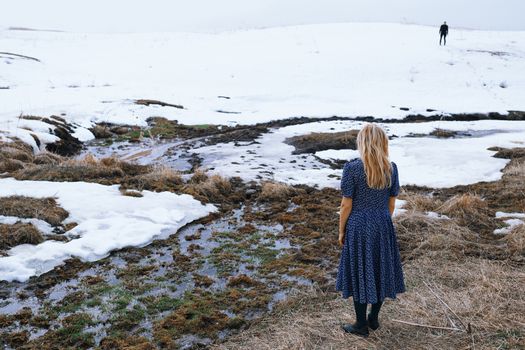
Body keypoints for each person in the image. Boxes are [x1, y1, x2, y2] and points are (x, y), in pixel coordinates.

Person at [336, 123, 405, 337]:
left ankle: (360, 324)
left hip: (358, 225)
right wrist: (381, 221)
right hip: (382, 224)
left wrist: (341, 231)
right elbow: (391, 204)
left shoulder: (353, 168)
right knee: (380, 268)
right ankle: (373, 318)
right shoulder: (391, 168)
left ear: (362, 143)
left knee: (359, 270)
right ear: (382, 143)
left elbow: (346, 205)